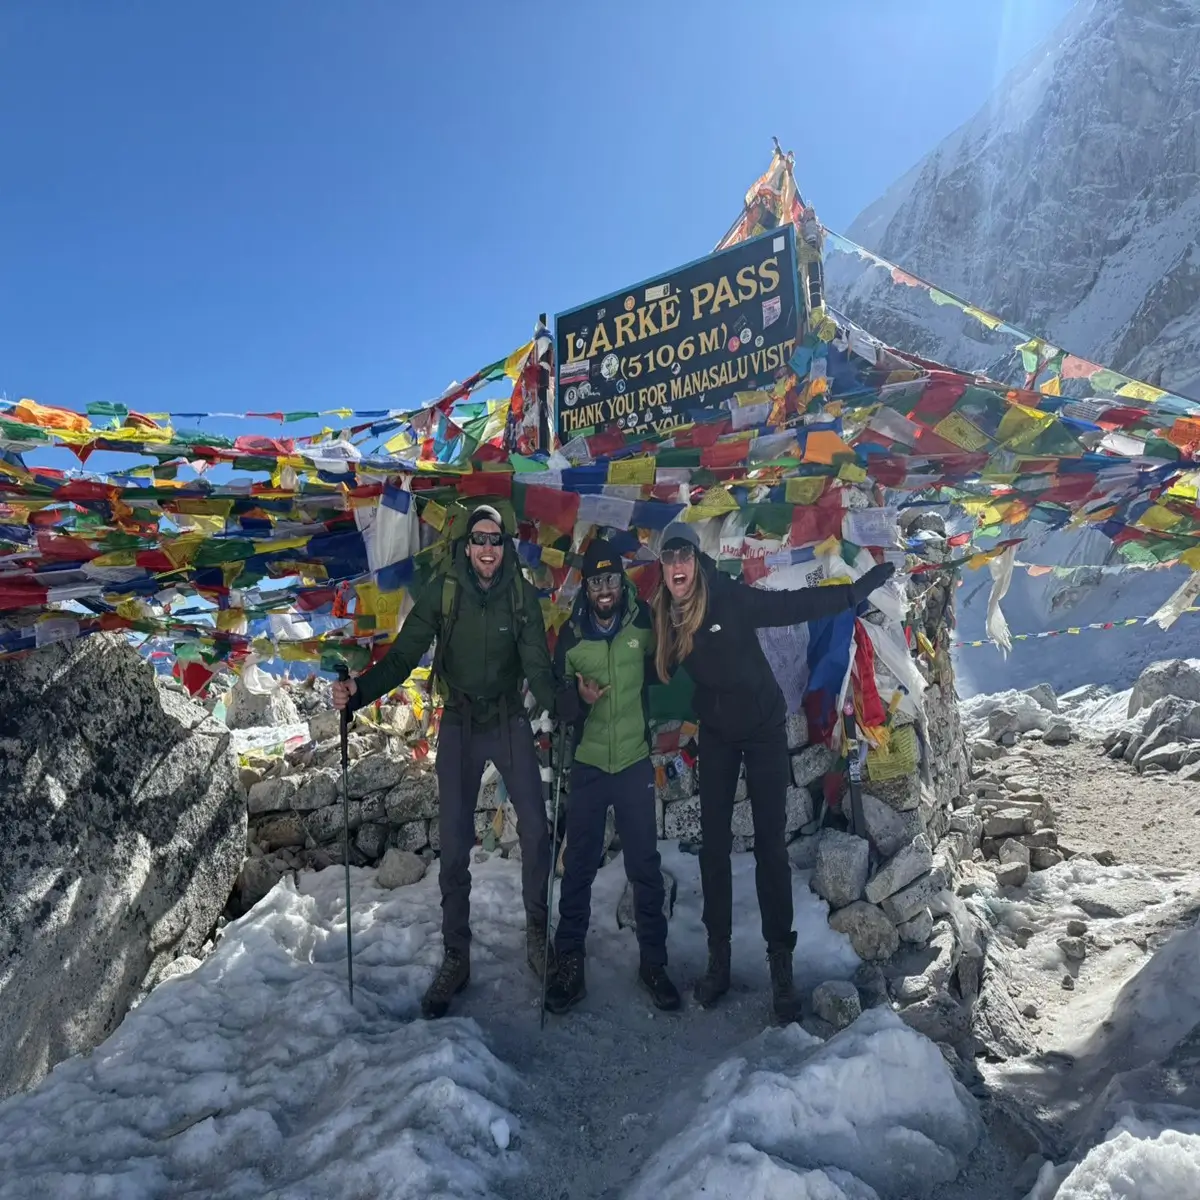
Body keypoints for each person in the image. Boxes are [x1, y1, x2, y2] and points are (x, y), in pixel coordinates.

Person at [649, 521, 895, 1022]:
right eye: (669, 557)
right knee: (713, 848)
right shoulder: (662, 616)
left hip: (762, 727)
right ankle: (719, 964)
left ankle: (780, 967)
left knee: (769, 849)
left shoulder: (730, 598)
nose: (677, 565)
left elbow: (793, 608)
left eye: (685, 555)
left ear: (697, 561)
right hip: (717, 732)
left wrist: (853, 593)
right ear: (663, 566)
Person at [332, 504, 558, 1019]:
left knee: (537, 831)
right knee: (454, 844)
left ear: (503, 547)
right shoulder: (445, 589)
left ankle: (538, 935)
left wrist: (559, 702)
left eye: (495, 541)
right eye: (479, 540)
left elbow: (538, 667)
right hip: (458, 722)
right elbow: (403, 654)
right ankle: (457, 953)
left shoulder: (520, 594)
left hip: (507, 720)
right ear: (466, 545)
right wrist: (359, 691)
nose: (486, 549)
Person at [544, 539, 681, 1015]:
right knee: (578, 864)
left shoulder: (642, 624)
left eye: (611, 580)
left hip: (633, 762)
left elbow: (669, 662)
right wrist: (577, 700)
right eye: (595, 581)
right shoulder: (571, 635)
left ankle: (654, 963)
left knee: (644, 866)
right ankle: (570, 963)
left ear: (622, 583)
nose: (604, 590)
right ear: (586, 587)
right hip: (587, 765)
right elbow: (555, 703)